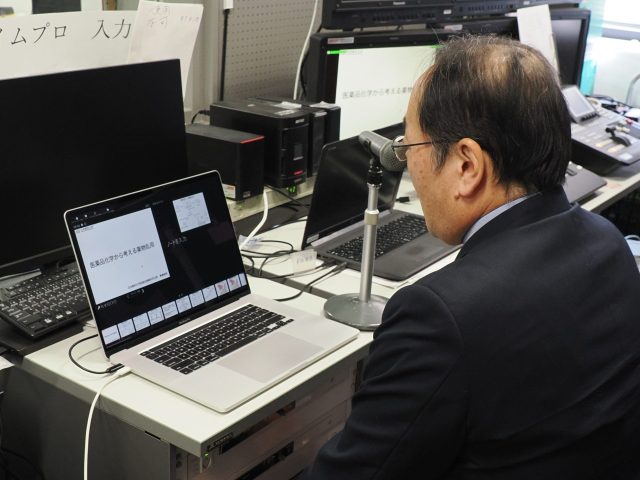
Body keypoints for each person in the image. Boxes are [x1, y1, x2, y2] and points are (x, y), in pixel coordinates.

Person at [302, 35, 640, 479]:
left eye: (409, 149)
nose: (409, 168)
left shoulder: (440, 318)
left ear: (467, 166)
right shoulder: (608, 243)